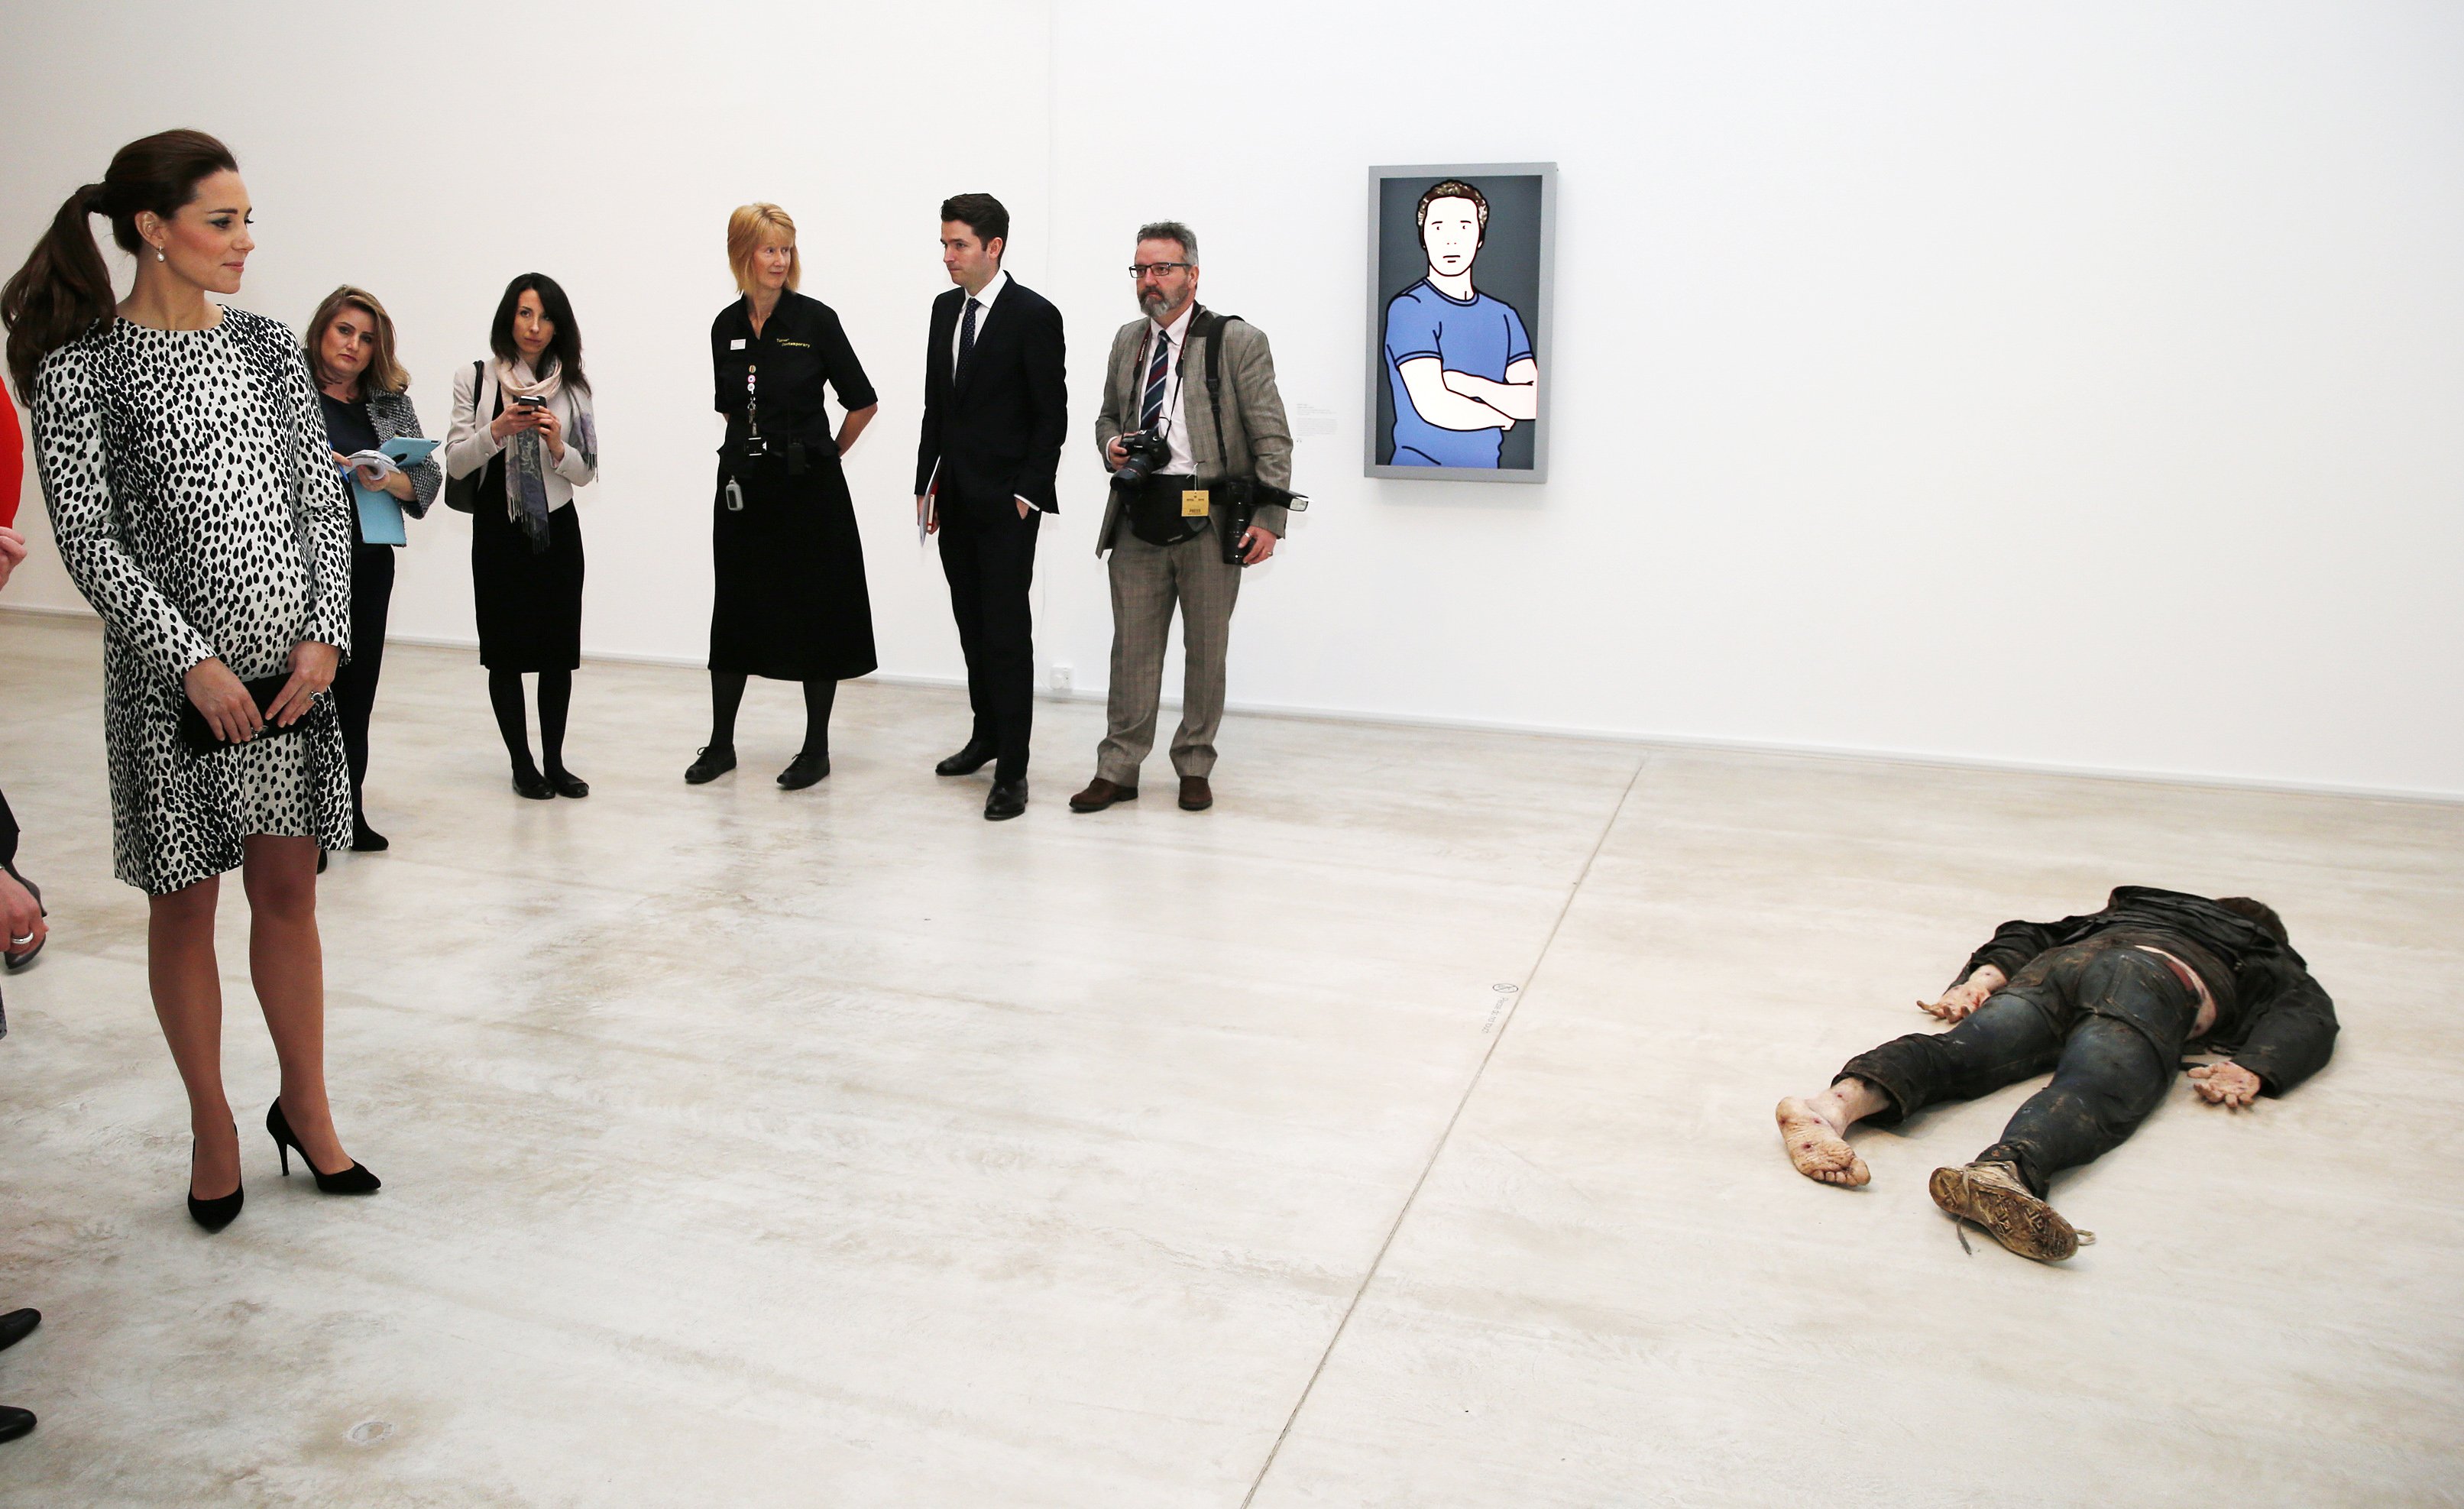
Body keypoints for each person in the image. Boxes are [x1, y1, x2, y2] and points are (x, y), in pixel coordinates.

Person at [5, 128, 381, 1233]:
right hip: (173, 692)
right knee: (187, 905)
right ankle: (213, 1126)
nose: (245, 242)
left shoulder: (269, 347)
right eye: (223, 221)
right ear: (151, 230)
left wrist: (326, 636)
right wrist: (192, 659)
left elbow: (319, 501)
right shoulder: (81, 368)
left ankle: (305, 1109)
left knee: (289, 893)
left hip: (292, 680)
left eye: (248, 219)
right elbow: (90, 538)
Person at [1775, 887, 2339, 1261]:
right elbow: (2306, 1015)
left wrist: (1981, 978)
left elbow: (2027, 932)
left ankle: (1830, 1107)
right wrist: (2254, 1067)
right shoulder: (2261, 951)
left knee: (1960, 1053)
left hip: (2064, 967)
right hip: (2153, 979)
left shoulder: (2121, 912)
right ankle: (2005, 1171)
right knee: (2096, 1085)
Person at [1072, 222, 1294, 816]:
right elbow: (1103, 418)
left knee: (1206, 649)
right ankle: (1118, 768)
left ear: (1192, 275)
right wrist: (1113, 444)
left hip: (1211, 515)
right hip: (1138, 514)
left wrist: (1270, 518)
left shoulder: (1236, 341)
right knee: (1133, 651)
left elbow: (1273, 436)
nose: (1150, 281)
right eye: (1141, 270)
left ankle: (1194, 763)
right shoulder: (1127, 341)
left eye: (1163, 269)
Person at [687, 204, 880, 789]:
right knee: (736, 610)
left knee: (816, 613)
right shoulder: (725, 325)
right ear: (742, 253)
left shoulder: (815, 320)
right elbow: (729, 405)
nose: (779, 260)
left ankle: (815, 749)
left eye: (786, 249)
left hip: (809, 491)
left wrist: (827, 454)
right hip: (744, 489)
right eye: (768, 249)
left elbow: (862, 401)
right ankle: (721, 744)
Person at [913, 193, 1066, 821]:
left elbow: (1049, 415)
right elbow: (936, 407)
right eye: (944, 244)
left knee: (1006, 634)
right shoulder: (944, 309)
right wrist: (926, 485)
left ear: (993, 247)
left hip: (1007, 506)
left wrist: (1027, 494)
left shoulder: (1033, 314)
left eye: (959, 245)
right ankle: (986, 735)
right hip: (953, 499)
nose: (947, 256)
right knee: (971, 625)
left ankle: (1014, 770)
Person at [445, 274, 599, 800]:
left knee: (558, 652)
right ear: (508, 318)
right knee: (505, 653)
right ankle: (522, 764)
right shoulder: (477, 378)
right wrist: (499, 430)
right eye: (525, 314)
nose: (535, 327)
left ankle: (555, 761)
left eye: (546, 316)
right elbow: (456, 459)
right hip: (497, 528)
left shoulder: (573, 388)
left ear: (559, 325)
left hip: (558, 529)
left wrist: (559, 445)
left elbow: (586, 472)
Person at [305, 286, 439, 852]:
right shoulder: (290, 391)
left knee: (356, 693)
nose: (354, 345)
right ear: (321, 331)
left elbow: (428, 482)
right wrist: (320, 466)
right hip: (304, 561)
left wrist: (385, 477)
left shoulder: (388, 402)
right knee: (309, 692)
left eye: (366, 338)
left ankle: (349, 811)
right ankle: (301, 830)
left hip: (367, 560)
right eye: (344, 331)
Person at [1380, 179, 1538, 469]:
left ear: (1480, 238)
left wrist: (1469, 384)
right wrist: (1501, 414)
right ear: (1423, 237)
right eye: (1438, 227)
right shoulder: (1411, 308)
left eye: (1464, 227)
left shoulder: (1504, 315)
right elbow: (1435, 406)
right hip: (1415, 476)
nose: (1451, 240)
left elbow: (1532, 401)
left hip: (1492, 475)